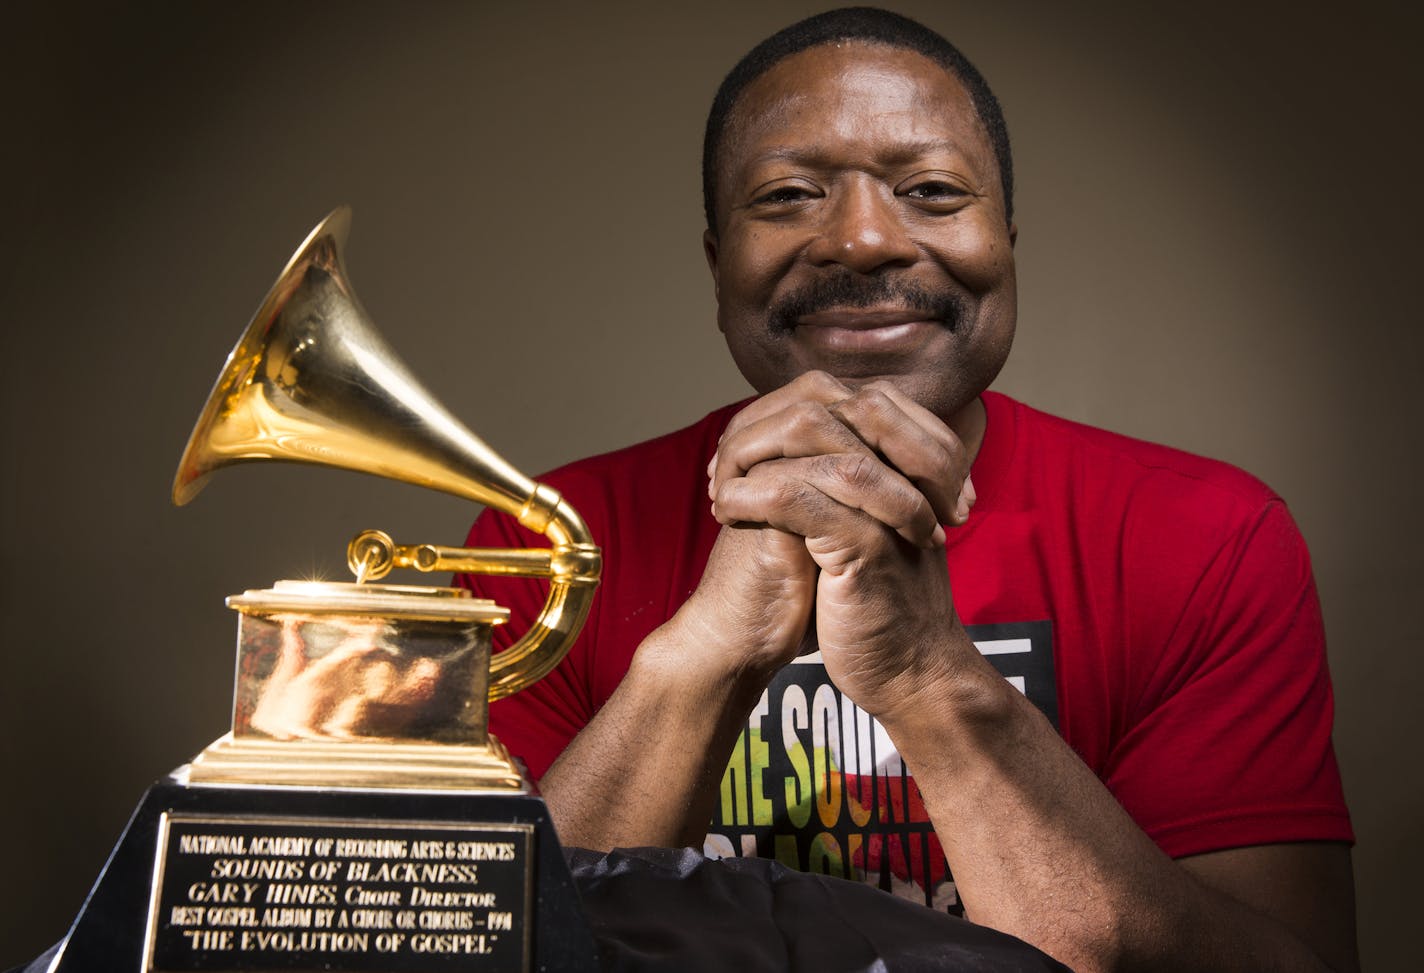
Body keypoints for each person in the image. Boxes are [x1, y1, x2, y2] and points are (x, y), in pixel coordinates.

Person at [460, 8, 1357, 971]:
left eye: (930, 191)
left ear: (1004, 241)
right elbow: (486, 953)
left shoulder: (1207, 535)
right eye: (790, 195)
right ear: (719, 263)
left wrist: (928, 673)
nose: (862, 240)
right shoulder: (546, 543)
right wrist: (711, 651)